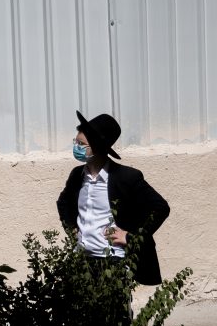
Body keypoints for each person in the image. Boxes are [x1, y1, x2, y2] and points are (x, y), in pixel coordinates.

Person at [56, 111, 170, 286]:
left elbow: (160, 207)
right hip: (82, 259)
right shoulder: (77, 175)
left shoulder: (126, 177)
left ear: (98, 147)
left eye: (81, 144)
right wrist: (71, 228)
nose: (76, 147)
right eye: (75, 142)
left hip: (113, 261)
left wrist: (130, 237)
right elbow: (63, 202)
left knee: (114, 312)